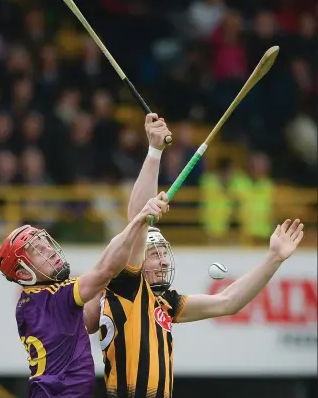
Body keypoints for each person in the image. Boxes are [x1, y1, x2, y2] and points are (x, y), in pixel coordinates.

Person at [88, 114, 304, 398]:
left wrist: (273, 258)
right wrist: (154, 151)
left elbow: (228, 302)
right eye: (155, 254)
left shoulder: (162, 303)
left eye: (164, 253)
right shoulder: (126, 287)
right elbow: (136, 223)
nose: (164, 260)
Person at [0, 192, 169, 398]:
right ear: (24, 273)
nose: (49, 250)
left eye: (45, 243)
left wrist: (116, 287)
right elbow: (105, 270)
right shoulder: (52, 297)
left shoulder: (35, 300)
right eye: (38, 251)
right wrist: (138, 220)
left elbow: (89, 322)